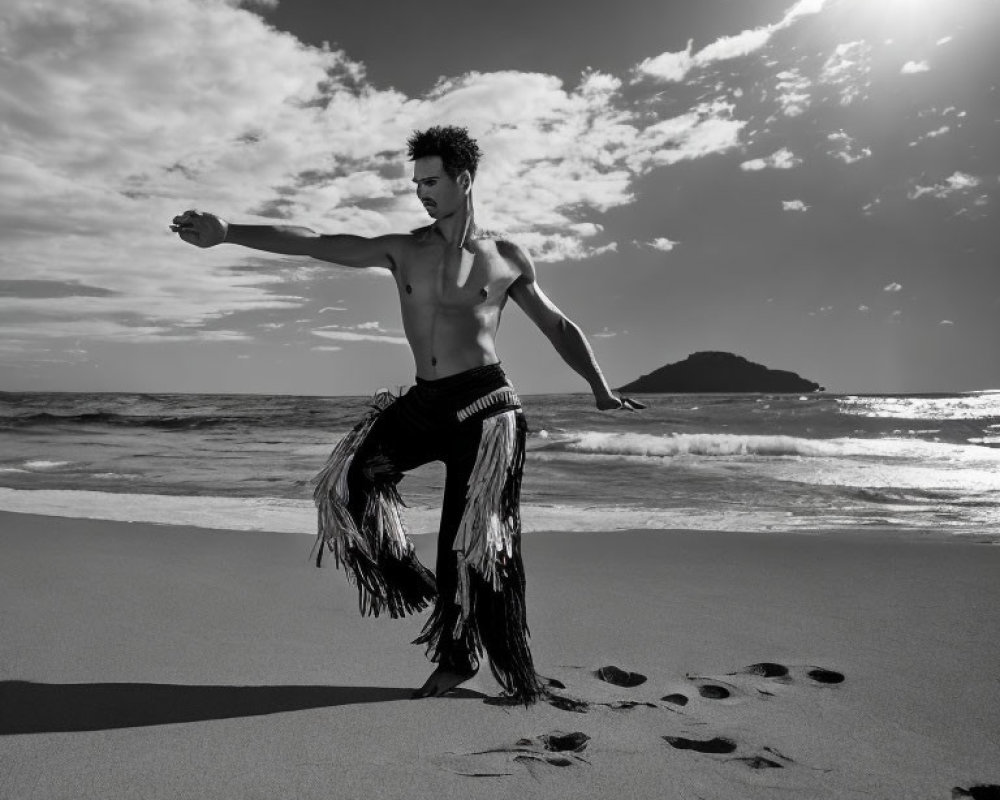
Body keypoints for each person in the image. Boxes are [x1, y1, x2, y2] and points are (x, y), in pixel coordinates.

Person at [171, 125, 644, 705]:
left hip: (488, 412)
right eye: (416, 182)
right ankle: (412, 582)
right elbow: (317, 239)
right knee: (353, 479)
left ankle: (468, 658)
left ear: (463, 179)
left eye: (432, 180)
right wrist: (228, 232)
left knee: (473, 548)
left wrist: (599, 387)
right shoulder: (404, 249)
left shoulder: (506, 257)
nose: (421, 192)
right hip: (425, 402)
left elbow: (559, 326)